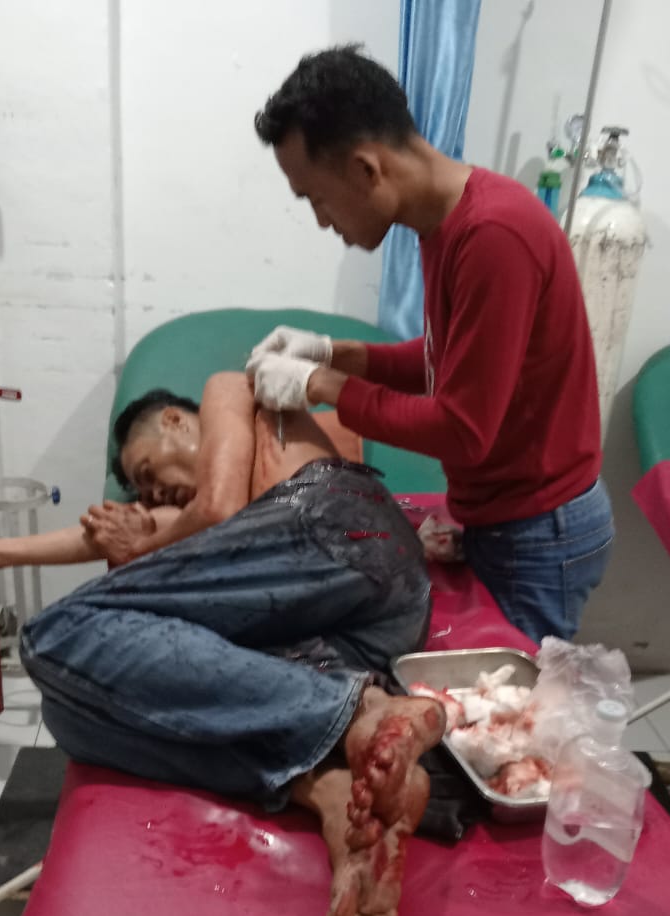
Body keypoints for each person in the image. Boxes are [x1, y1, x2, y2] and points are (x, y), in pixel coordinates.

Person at [0, 372, 446, 916]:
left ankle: (358, 710)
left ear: (173, 420)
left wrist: (142, 542)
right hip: (366, 634)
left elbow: (215, 507)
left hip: (340, 527)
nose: (153, 493)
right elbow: (126, 532)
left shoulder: (231, 391)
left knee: (52, 634)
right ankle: (325, 790)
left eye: (147, 472)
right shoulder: (205, 522)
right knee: (71, 717)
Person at [247, 45, 614, 645]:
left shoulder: (493, 234)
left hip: (538, 531)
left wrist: (321, 385)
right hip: (505, 517)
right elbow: (450, 359)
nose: (322, 220)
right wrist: (333, 352)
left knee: (514, 700)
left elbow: (463, 429)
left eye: (316, 198)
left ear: (366, 170)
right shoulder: (444, 225)